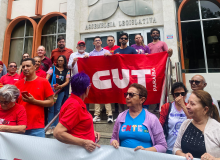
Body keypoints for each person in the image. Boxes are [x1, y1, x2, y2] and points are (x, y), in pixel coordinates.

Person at [111, 83, 167, 153]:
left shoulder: (152, 119)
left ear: (142, 100)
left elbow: (163, 146)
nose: (127, 97)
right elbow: (113, 138)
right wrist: (114, 141)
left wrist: (145, 150)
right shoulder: (121, 116)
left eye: (131, 95)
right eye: (126, 94)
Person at [53, 72, 101, 152]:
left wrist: (91, 132)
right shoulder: (75, 106)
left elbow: (76, 124)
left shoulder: (75, 102)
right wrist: (84, 142)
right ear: (86, 89)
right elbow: (58, 132)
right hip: (78, 152)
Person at [173, 90, 220, 159]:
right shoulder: (185, 124)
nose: (187, 106)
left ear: (205, 110)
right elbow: (176, 148)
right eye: (188, 102)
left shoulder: (217, 129)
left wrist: (214, 158)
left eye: (192, 104)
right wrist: (183, 155)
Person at [15, 58, 54, 137]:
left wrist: (34, 101)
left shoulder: (44, 82)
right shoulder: (17, 84)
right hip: (19, 126)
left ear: (35, 67)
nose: (25, 68)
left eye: (28, 66)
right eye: (23, 67)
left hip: (37, 127)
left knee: (38, 149)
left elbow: (51, 102)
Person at [85, 36, 113, 123]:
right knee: (97, 95)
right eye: (96, 41)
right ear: (93, 43)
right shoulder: (91, 54)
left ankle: (110, 115)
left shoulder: (106, 51)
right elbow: (87, 64)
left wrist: (110, 56)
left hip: (105, 76)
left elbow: (114, 61)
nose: (97, 42)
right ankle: (97, 115)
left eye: (99, 40)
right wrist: (85, 58)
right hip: (96, 77)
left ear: (101, 42)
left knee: (106, 95)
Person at [159, 82, 190, 154]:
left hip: (186, 147)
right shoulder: (167, 107)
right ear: (173, 95)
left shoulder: (189, 107)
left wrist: (183, 105)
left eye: (182, 94)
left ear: (185, 94)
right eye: (177, 94)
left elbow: (193, 120)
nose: (180, 96)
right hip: (170, 145)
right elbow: (160, 125)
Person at [46, 55, 70, 135]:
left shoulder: (67, 70)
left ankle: (55, 127)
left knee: (57, 109)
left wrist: (60, 86)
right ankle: (49, 126)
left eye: (61, 60)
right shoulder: (52, 68)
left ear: (64, 62)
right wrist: (50, 87)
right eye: (58, 60)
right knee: (51, 109)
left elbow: (67, 81)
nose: (60, 62)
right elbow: (47, 78)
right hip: (51, 92)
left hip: (61, 91)